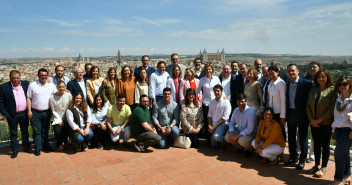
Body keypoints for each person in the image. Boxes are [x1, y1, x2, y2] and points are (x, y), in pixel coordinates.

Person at [306, 69, 337, 178]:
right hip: (314, 123)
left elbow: (332, 108)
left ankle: (323, 167)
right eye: (319, 77)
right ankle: (316, 165)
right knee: (317, 145)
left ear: (327, 77)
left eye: (323, 77)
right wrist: (311, 119)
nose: (321, 79)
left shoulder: (332, 90)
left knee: (325, 145)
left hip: (326, 123)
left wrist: (319, 120)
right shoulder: (313, 89)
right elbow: (308, 105)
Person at [284, 64, 312, 170]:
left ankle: (302, 160)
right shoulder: (287, 83)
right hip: (290, 113)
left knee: (303, 138)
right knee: (291, 136)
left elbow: (310, 100)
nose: (291, 73)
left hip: (302, 114)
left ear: (298, 71)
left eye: (293, 71)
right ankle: (293, 156)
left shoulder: (306, 83)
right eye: (289, 71)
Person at [0, 70, 32, 158]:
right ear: (10, 78)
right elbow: (0, 102)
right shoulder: (4, 87)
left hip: (24, 113)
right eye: (14, 78)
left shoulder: (26, 85)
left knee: (25, 131)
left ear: (20, 78)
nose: (16, 80)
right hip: (12, 114)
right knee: (13, 133)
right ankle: (15, 150)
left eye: (17, 78)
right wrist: (4, 113)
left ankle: (26, 147)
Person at [27, 68, 56, 156]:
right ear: (38, 76)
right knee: (37, 131)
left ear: (47, 76)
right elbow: (29, 98)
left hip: (47, 112)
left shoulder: (51, 85)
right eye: (42, 75)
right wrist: (29, 111)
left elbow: (56, 94)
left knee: (45, 130)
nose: (43, 77)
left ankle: (45, 146)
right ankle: (37, 148)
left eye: (45, 75)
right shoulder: (32, 85)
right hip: (35, 112)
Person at [331, 76, 352, 185]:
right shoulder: (338, 99)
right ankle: (347, 175)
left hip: (348, 129)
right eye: (340, 84)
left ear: (349, 84)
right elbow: (336, 116)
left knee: (338, 153)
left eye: (345, 84)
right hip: (338, 129)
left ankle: (338, 179)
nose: (342, 86)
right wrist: (334, 130)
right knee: (344, 153)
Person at [303, 61, 323, 163]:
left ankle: (312, 154)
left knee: (314, 134)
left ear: (319, 68)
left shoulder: (321, 81)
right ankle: (300, 152)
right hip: (304, 110)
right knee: (302, 133)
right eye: (310, 67)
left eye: (314, 67)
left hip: (316, 112)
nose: (312, 69)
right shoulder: (304, 80)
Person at [196, 64, 221, 141]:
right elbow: (197, 91)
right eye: (207, 70)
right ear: (204, 71)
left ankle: (215, 136)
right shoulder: (202, 80)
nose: (208, 71)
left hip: (215, 103)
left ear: (212, 70)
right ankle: (208, 138)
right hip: (206, 103)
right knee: (207, 121)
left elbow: (220, 89)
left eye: (209, 69)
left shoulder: (216, 79)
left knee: (215, 119)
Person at [263, 65, 287, 140]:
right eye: (269, 74)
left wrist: (283, 116)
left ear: (278, 72)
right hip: (272, 112)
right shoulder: (270, 83)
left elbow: (283, 101)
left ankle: (281, 147)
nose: (271, 75)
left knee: (280, 131)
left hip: (279, 113)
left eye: (273, 73)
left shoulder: (281, 84)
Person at [49, 80, 72, 152]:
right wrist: (59, 120)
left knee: (66, 130)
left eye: (63, 87)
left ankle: (65, 141)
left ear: (65, 87)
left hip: (67, 117)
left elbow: (70, 107)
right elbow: (53, 110)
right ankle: (59, 144)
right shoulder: (52, 97)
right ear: (57, 87)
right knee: (58, 130)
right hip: (56, 117)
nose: (61, 88)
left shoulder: (68, 95)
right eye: (59, 87)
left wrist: (65, 119)